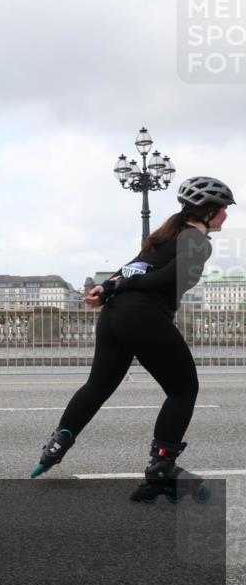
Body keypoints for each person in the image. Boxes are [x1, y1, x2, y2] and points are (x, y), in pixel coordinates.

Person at [30, 177, 235, 500]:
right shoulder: (198, 241)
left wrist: (107, 287)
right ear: (209, 213)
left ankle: (57, 445)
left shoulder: (165, 236)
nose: (227, 214)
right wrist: (120, 286)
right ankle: (161, 466)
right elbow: (164, 278)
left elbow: (130, 268)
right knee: (184, 389)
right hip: (143, 317)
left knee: (97, 386)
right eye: (223, 209)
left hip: (113, 318)